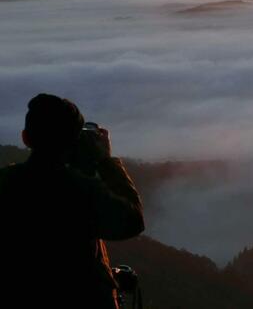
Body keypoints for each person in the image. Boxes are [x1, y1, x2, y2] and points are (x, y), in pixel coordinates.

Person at [0, 93, 145, 308]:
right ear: (74, 142)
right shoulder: (80, 191)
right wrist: (106, 162)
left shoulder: (5, 183)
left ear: (25, 138)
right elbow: (132, 220)